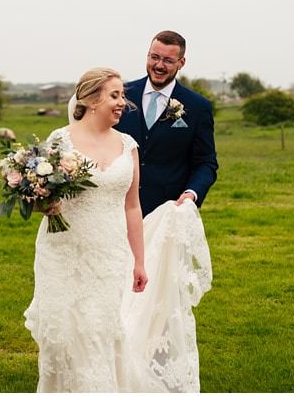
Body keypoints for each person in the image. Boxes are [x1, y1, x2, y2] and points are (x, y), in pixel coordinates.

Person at [24, 68, 212, 392]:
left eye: (122, 95)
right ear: (92, 99)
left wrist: (139, 261)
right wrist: (42, 202)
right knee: (65, 335)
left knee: (99, 330)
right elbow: (41, 196)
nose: (122, 103)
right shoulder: (60, 141)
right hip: (63, 253)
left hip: (110, 255)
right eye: (115, 95)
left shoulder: (128, 145)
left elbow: (132, 206)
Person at [116, 30, 218, 216]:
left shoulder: (198, 106)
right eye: (154, 57)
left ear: (181, 63)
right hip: (117, 209)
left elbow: (206, 162)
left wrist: (191, 193)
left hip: (167, 213)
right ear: (147, 55)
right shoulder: (121, 95)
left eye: (168, 61)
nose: (159, 65)